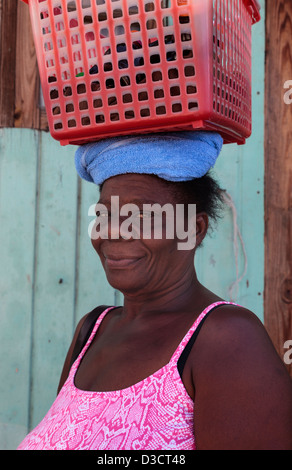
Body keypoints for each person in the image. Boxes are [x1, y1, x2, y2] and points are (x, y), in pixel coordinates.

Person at [18, 132, 292, 450]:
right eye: (105, 214)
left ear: (194, 229)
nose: (114, 231)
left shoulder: (226, 338)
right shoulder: (93, 329)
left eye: (143, 216)